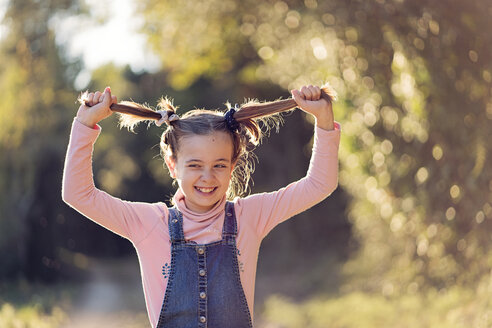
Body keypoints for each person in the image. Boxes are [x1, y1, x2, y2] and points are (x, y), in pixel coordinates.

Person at [62, 84, 341, 328]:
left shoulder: (250, 217)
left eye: (219, 165)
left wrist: (324, 121)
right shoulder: (149, 223)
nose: (207, 177)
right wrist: (85, 126)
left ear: (232, 166)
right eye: (194, 165)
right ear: (173, 165)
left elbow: (319, 185)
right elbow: (78, 194)